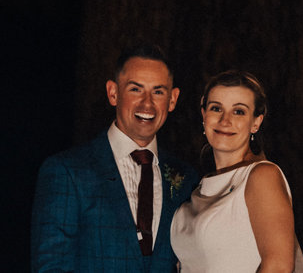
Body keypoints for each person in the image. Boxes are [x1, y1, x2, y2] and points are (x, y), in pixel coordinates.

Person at [31, 44, 199, 272]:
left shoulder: (186, 179)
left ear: (172, 99)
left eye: (158, 91)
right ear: (113, 93)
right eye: (135, 89)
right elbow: (52, 267)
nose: (147, 103)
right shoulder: (68, 171)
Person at [170, 70, 303, 272]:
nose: (225, 121)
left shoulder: (261, 176)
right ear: (203, 114)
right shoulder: (199, 186)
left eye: (239, 111)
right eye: (216, 108)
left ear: (256, 122)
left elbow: (278, 267)